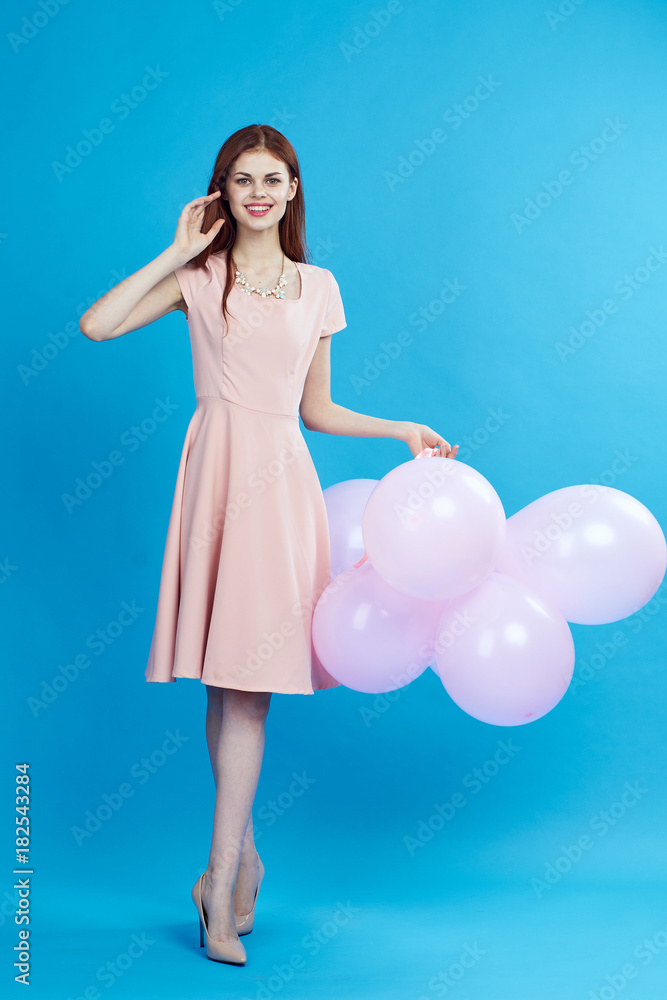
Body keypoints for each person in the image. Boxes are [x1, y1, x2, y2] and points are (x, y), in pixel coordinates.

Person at [79, 124, 459, 966]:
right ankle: (235, 862)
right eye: (242, 178)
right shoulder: (200, 275)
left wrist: (400, 429)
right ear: (222, 191)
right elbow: (98, 327)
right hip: (213, 474)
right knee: (224, 687)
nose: (258, 191)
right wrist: (174, 250)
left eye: (273, 178)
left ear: (292, 191)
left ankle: (220, 876)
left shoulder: (318, 285)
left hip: (279, 483)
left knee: (248, 690)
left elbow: (315, 408)